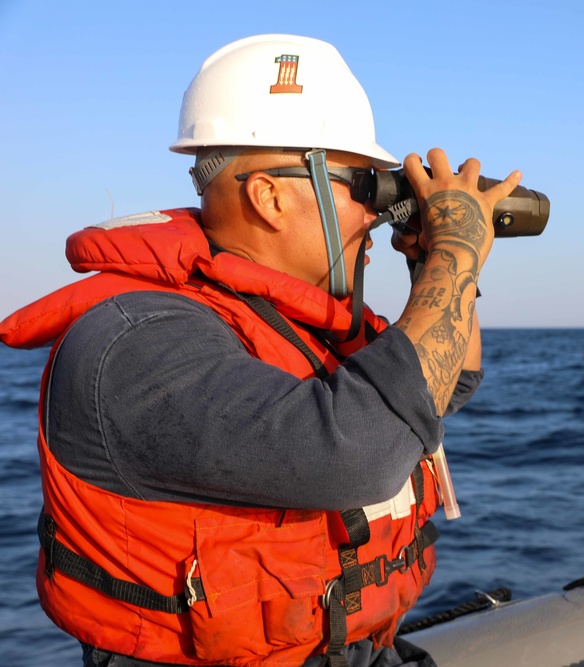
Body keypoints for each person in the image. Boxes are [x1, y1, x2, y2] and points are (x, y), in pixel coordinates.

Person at [0, 34, 520, 667]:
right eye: (364, 187)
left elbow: (447, 387)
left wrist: (433, 272)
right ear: (269, 196)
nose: (376, 216)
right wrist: (456, 252)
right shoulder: (136, 341)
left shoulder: (294, 323)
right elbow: (358, 453)